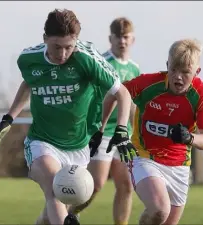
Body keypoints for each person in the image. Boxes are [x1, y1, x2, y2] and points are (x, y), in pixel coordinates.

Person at [0, 9, 138, 225]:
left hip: (79, 144)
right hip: (42, 142)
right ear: (45, 39)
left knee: (61, 204)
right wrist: (9, 118)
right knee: (53, 186)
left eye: (69, 47)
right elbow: (30, 82)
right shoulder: (29, 59)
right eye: (57, 47)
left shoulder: (87, 60)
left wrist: (121, 130)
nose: (63, 54)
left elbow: (122, 93)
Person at [92, 39, 203, 225]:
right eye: (174, 69)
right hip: (145, 158)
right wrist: (101, 129)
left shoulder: (202, 94)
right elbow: (116, 93)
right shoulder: (149, 84)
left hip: (179, 167)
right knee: (159, 210)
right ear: (167, 65)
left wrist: (189, 138)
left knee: (163, 220)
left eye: (185, 72)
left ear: (196, 73)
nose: (178, 77)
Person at [69, 17, 140, 225]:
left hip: (123, 134)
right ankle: (69, 214)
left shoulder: (135, 69)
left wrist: (135, 132)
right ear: (111, 38)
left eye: (126, 37)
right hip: (102, 132)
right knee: (96, 184)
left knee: (126, 185)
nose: (122, 41)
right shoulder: (102, 62)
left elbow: (133, 104)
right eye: (118, 37)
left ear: (132, 39)